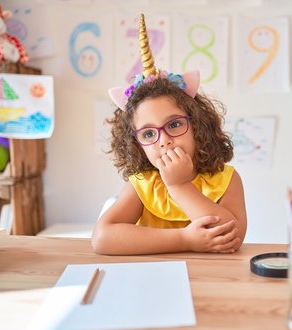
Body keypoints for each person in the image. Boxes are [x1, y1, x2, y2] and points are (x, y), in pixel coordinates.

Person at [91, 14, 246, 255]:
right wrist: (184, 239)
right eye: (149, 133)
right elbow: (102, 238)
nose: (164, 140)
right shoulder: (143, 183)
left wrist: (180, 185)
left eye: (174, 125)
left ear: (197, 125)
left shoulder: (226, 180)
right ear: (137, 143)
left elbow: (229, 238)